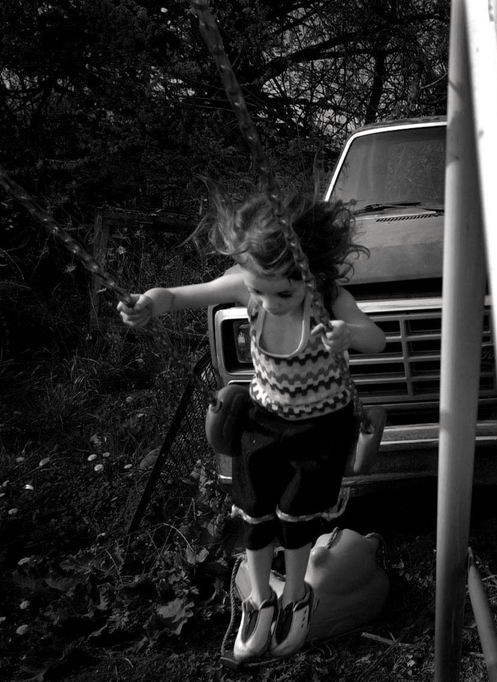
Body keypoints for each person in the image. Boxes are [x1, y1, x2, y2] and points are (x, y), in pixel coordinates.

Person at [117, 189, 386, 663]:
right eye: (260, 292)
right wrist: (151, 302)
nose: (269, 301)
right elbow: (180, 295)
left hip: (321, 424)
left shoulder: (328, 296)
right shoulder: (250, 283)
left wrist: (349, 335)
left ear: (311, 271)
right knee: (255, 509)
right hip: (265, 419)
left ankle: (296, 595)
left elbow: (376, 339)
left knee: (299, 512)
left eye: (284, 292)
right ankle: (259, 599)